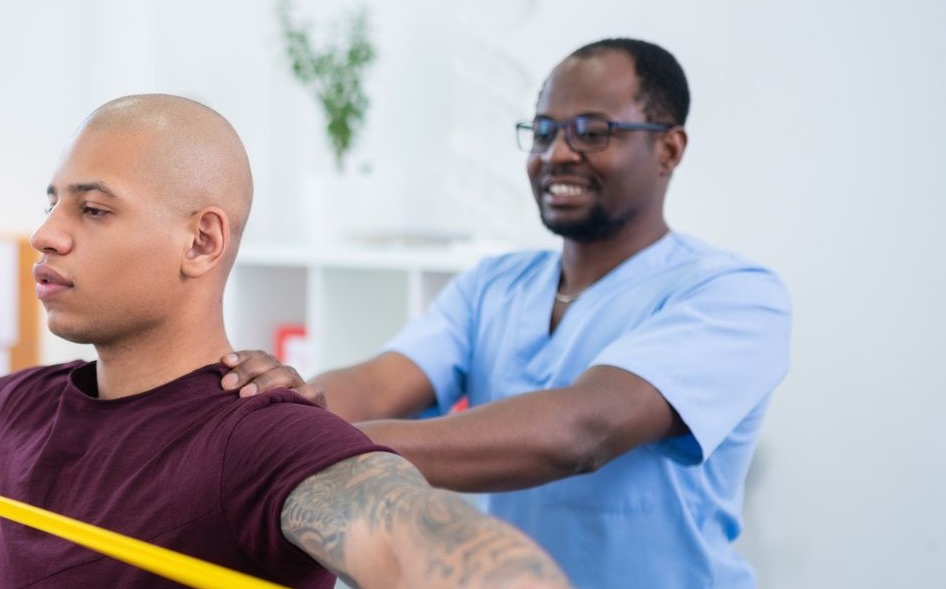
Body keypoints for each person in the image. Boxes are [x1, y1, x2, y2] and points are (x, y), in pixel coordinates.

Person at [0, 94, 567, 589]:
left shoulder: (263, 434)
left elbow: (406, 537)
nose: (48, 232)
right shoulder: (33, 405)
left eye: (94, 208)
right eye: (53, 201)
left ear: (202, 241)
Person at [221, 39, 792, 588]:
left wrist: (312, 448)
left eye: (592, 132)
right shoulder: (496, 283)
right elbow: (381, 380)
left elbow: (580, 433)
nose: (558, 153)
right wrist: (278, 407)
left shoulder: (733, 295)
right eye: (543, 131)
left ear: (669, 149)